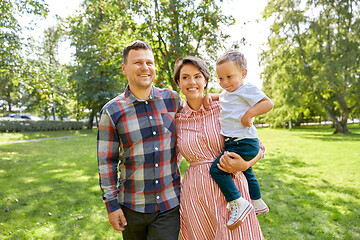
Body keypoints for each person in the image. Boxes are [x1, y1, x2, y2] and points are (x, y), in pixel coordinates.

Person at [97, 40, 184, 240]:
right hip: (131, 207)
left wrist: (212, 99)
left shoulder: (172, 100)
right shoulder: (112, 111)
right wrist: (111, 206)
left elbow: (199, 122)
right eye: (137, 63)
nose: (145, 67)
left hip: (168, 204)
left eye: (149, 63)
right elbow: (106, 163)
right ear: (124, 68)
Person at [174, 56, 265, 239]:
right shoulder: (176, 120)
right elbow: (172, 162)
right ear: (178, 82)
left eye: (197, 76)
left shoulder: (224, 107)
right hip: (195, 195)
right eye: (185, 77)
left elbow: (259, 147)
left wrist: (246, 165)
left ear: (205, 80)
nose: (192, 82)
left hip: (231, 192)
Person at [208, 50, 274, 230]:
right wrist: (210, 96)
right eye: (220, 78)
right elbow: (220, 97)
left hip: (243, 141)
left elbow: (268, 103)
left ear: (243, 73)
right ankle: (257, 201)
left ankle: (237, 202)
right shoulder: (227, 93)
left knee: (217, 170)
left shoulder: (247, 88)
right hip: (234, 141)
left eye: (229, 76)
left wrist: (249, 114)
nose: (225, 82)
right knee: (248, 172)